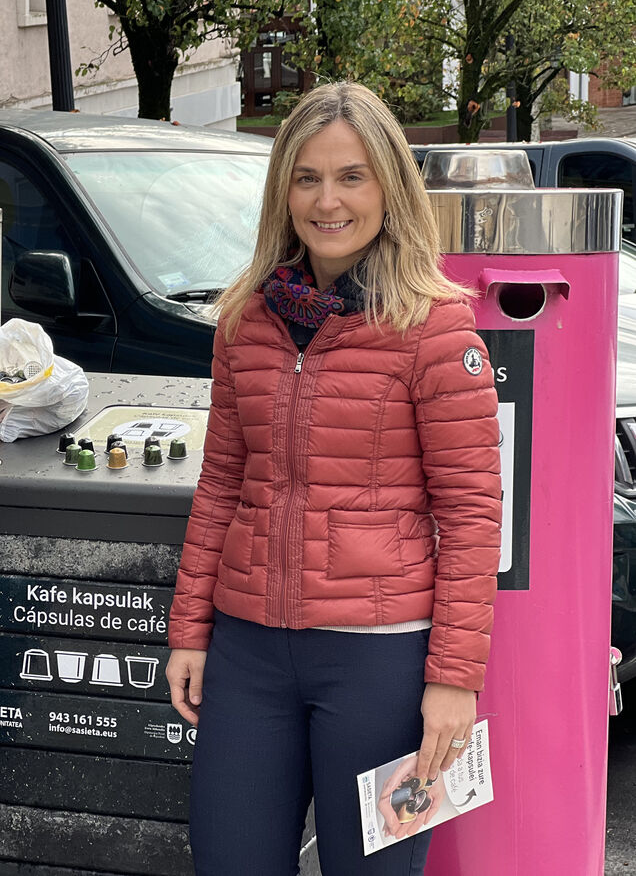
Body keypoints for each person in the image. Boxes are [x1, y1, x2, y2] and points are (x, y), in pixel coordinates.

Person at [165, 81, 502, 875]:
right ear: (283, 186)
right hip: (248, 653)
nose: (328, 200)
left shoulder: (435, 323)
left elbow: (472, 513)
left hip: (378, 666)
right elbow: (220, 485)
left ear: (389, 183)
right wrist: (190, 628)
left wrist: (453, 679)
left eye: (352, 176)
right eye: (308, 176)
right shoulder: (246, 319)